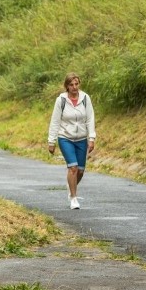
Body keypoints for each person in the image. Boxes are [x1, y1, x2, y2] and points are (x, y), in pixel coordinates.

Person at [47, 72, 96, 210]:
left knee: (80, 171)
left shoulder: (85, 98)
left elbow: (90, 119)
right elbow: (55, 121)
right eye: (71, 85)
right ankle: (73, 198)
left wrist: (91, 138)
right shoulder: (61, 100)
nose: (74, 87)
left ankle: (71, 185)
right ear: (67, 86)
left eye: (76, 84)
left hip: (81, 139)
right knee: (73, 168)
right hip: (65, 138)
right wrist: (51, 141)